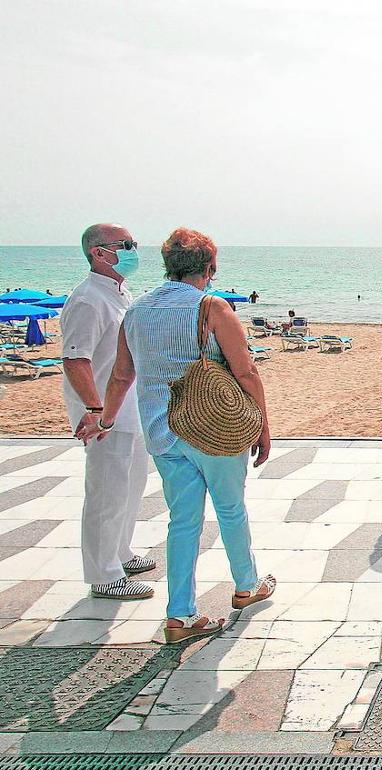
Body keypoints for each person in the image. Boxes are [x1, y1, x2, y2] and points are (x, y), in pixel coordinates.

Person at [77, 228, 276, 644]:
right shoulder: (212, 308)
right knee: (230, 509)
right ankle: (246, 586)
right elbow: (245, 371)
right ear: (210, 267)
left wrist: (106, 420)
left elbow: (121, 375)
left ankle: (180, 615)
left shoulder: (138, 311)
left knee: (182, 521)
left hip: (163, 431)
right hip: (215, 429)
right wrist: (262, 423)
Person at [61, 223, 154, 601]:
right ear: (99, 252)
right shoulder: (88, 299)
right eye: (126, 245)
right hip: (103, 412)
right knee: (106, 490)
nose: (134, 250)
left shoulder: (118, 293)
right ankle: (104, 574)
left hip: (128, 407)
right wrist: (95, 409)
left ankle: (120, 552)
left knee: (131, 485)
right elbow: (74, 359)